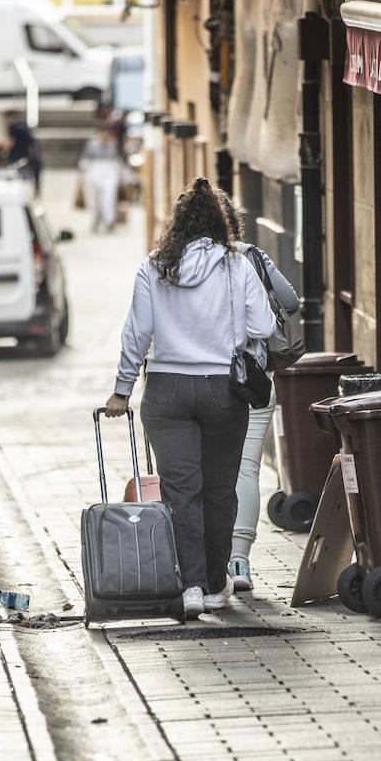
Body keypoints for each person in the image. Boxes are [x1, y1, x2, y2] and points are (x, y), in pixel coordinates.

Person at [104, 178, 276, 620]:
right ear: (223, 223)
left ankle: (191, 586)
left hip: (167, 391)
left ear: (176, 225)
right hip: (223, 389)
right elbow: (265, 327)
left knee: (182, 491)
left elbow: (136, 335)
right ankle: (217, 584)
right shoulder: (237, 265)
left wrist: (122, 390)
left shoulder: (155, 266)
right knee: (220, 490)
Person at [218, 195, 300, 592]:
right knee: (247, 469)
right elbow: (290, 302)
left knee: (209, 472)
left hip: (207, 379)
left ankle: (208, 564)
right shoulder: (252, 255)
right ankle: (239, 562)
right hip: (252, 381)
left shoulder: (180, 263)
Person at [79, 126, 121, 233]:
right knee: (94, 199)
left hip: (108, 172)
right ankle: (96, 219)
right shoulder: (92, 145)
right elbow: (85, 160)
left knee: (109, 198)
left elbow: (116, 161)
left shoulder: (112, 145)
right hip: (94, 172)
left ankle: (109, 221)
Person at [5, 110, 42, 196]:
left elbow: (11, 142)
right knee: (27, 174)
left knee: (19, 175)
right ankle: (31, 190)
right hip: (27, 155)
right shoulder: (23, 126)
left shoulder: (13, 127)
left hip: (17, 156)